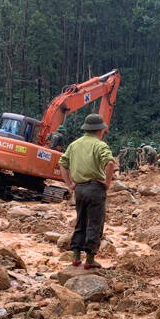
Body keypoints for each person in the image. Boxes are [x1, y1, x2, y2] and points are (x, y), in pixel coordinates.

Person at [59, 114, 116, 269]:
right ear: (100, 130)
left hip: (79, 189)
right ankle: (90, 260)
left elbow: (62, 164)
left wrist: (70, 184)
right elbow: (110, 163)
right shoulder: (100, 145)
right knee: (95, 223)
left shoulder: (74, 145)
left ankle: (76, 257)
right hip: (95, 188)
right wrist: (107, 183)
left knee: (81, 222)